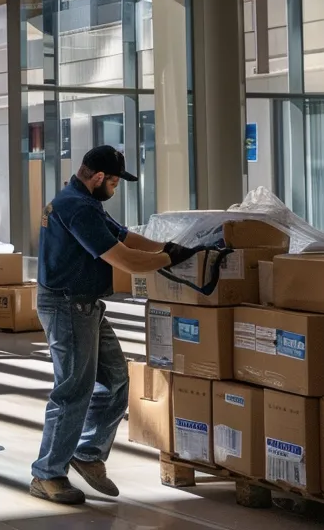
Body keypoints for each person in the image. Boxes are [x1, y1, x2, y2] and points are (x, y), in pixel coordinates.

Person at [29, 145, 201, 504]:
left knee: (116, 380)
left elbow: (124, 237)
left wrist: (168, 247)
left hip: (85, 304)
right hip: (67, 306)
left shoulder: (84, 201)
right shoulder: (77, 208)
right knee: (73, 390)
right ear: (96, 178)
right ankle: (47, 474)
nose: (115, 187)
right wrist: (169, 258)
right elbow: (125, 260)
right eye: (113, 182)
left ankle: (87, 453)